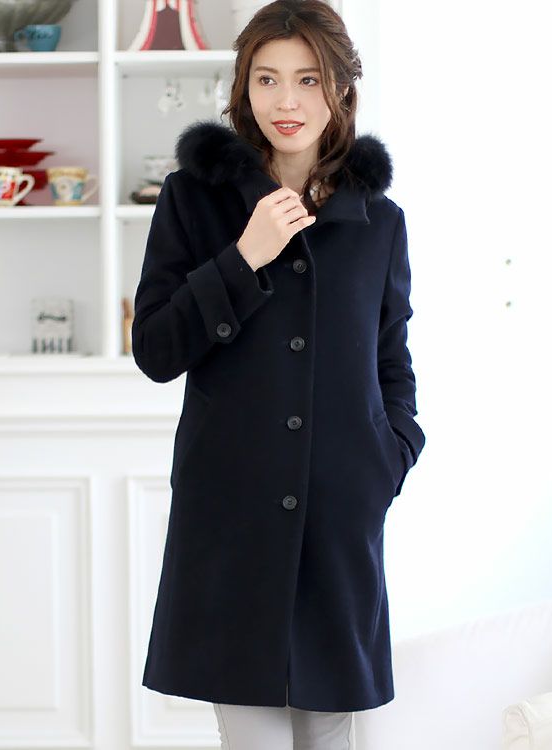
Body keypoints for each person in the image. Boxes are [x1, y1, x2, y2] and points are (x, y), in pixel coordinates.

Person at [131, 1, 426, 748]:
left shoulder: (379, 221)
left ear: (341, 89)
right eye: (266, 79)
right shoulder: (193, 200)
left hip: (339, 518)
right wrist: (244, 256)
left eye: (307, 79)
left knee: (332, 735)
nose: (285, 101)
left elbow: (392, 360)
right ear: (243, 87)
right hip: (231, 519)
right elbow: (156, 350)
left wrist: (389, 456)